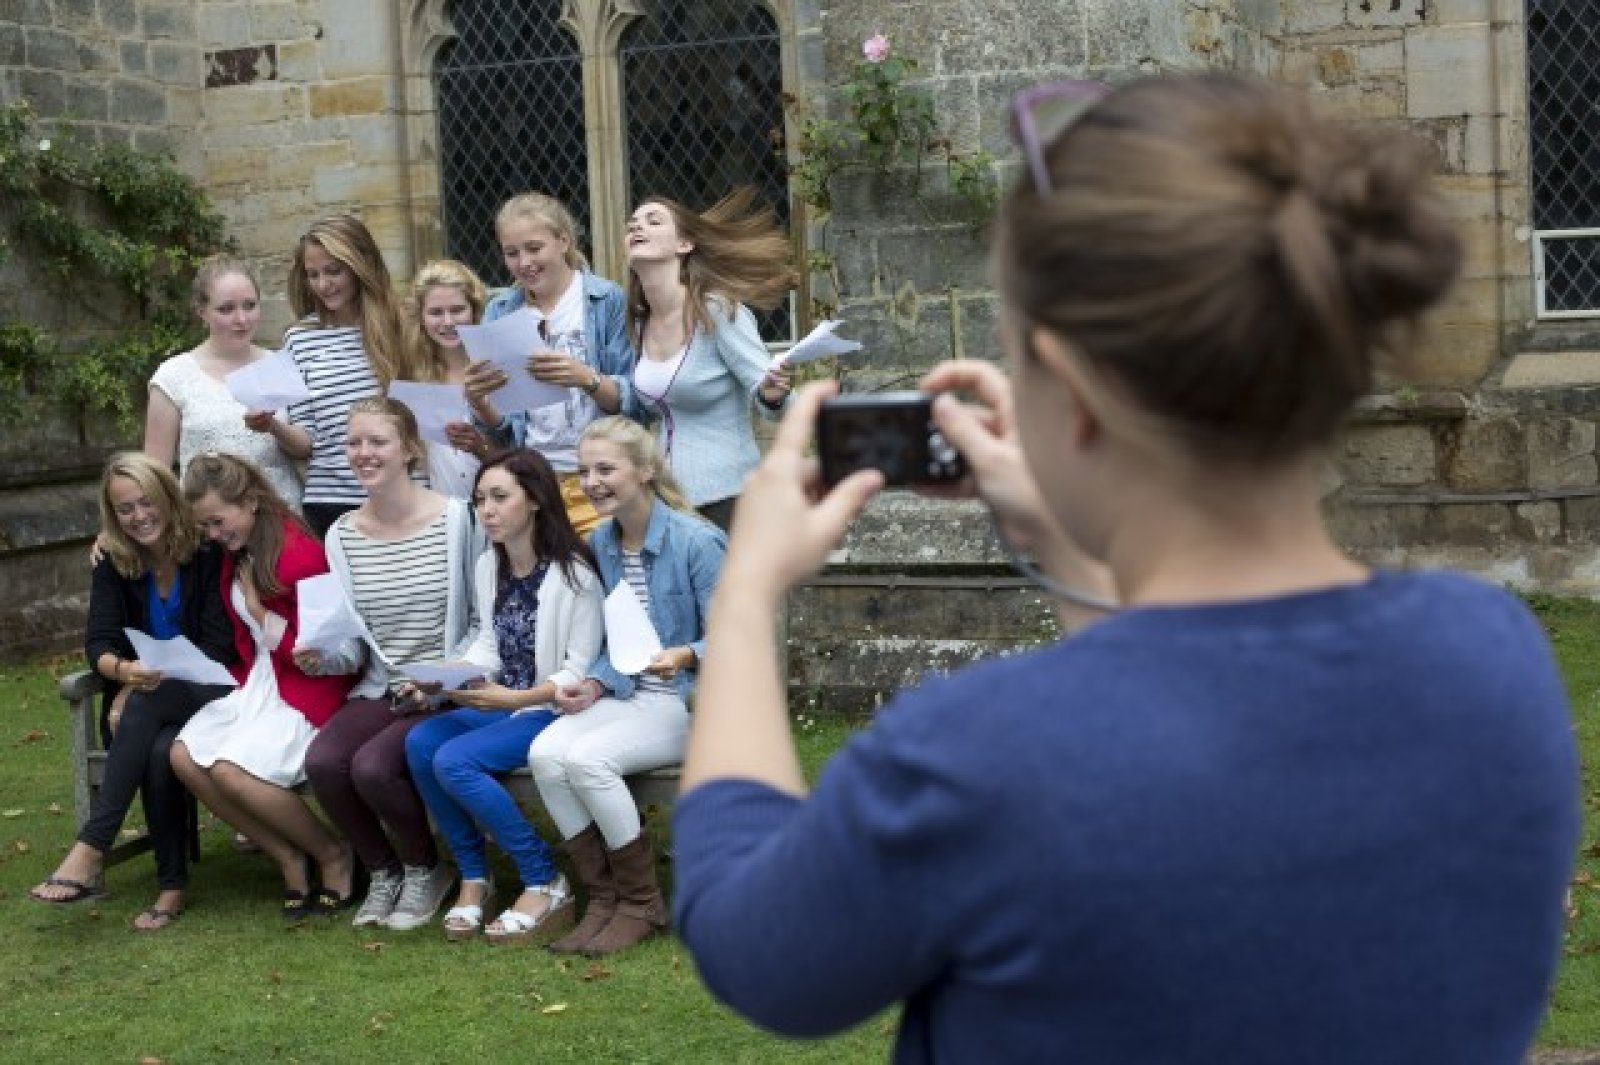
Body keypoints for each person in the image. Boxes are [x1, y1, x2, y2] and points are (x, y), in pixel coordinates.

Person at [670, 73, 1580, 1062]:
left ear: (1070, 393)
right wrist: (1066, 544)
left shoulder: (980, 752)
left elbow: (756, 946)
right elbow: (1177, 724)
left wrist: (746, 592)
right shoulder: (1488, 654)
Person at [529, 416, 725, 955]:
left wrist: (686, 653)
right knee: (546, 753)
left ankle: (642, 903)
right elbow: (617, 641)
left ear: (644, 471)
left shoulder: (697, 540)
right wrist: (593, 684)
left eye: (605, 469)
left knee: (589, 760)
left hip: (690, 703)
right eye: (585, 470)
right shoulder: (603, 541)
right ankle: (603, 898)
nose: (592, 482)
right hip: (630, 695)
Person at [29, 454, 237, 930]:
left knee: (142, 710)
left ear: (167, 497)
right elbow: (98, 643)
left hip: (210, 694)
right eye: (125, 509)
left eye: (147, 502)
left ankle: (92, 847)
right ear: (112, 515)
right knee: (159, 749)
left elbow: (218, 647)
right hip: (145, 710)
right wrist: (123, 672)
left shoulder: (207, 552)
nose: (139, 516)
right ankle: (171, 888)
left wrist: (135, 688)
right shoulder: (113, 562)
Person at [404, 449, 604, 942]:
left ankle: (543, 877)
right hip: (503, 705)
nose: (487, 510)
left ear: (534, 500)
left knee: (454, 760)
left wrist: (515, 701)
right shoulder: (488, 565)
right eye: (480, 500)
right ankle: (475, 875)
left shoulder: (576, 572)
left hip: (550, 710)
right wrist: (444, 677)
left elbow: (578, 669)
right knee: (420, 742)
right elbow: (490, 645)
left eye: (499, 497)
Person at [299, 397, 483, 930]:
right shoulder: (340, 536)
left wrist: (445, 677)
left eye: (377, 441)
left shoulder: (457, 519)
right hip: (383, 686)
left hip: (446, 687)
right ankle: (384, 871)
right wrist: (320, 658)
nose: (363, 453)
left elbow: (482, 619)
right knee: (324, 762)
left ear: (409, 450)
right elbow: (352, 646)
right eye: (354, 442)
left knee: (373, 767)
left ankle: (426, 869)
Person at [171, 454, 358, 923]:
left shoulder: (300, 555)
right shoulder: (239, 549)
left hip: (310, 689)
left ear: (251, 501)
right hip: (261, 682)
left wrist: (260, 613)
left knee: (231, 771)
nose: (213, 534)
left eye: (218, 521)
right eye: (205, 525)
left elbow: (325, 652)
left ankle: (332, 853)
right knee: (184, 756)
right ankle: (286, 855)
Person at [624, 187, 796, 530]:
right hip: (667, 501)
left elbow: (777, 403)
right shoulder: (640, 323)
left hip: (728, 498)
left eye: (653, 221)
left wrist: (773, 395)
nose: (637, 227)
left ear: (684, 244)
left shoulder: (717, 310)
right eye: (632, 224)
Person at [466, 192, 637, 536]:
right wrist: (480, 402)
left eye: (534, 248)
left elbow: (633, 400)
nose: (524, 263)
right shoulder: (501, 311)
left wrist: (586, 378)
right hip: (533, 482)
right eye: (511, 253)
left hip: (596, 478)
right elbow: (502, 428)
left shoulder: (606, 300)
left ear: (563, 241)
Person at [247, 214, 415, 538]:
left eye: (334, 271)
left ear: (360, 265)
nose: (323, 284)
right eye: (313, 274)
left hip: (401, 496)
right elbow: (305, 442)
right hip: (331, 504)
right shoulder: (299, 339)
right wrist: (273, 426)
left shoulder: (403, 326)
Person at [145, 255, 303, 507]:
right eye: (227, 309)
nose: (242, 319)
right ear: (202, 311)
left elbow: (304, 449)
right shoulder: (174, 376)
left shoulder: (277, 365)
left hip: (282, 514)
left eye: (249, 305)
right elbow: (154, 474)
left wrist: (273, 426)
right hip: (209, 521)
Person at [400, 259, 493, 499]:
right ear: (421, 317)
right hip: (440, 505)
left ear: (474, 310)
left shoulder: (493, 367)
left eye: (457, 310)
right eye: (436, 312)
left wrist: (480, 446)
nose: (448, 322)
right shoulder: (412, 375)